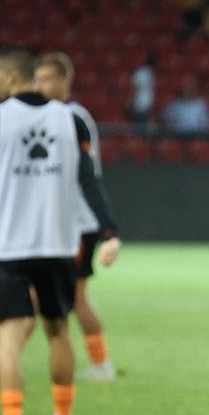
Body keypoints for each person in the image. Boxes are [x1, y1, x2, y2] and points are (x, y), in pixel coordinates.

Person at [0, 45, 118, 415]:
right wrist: (110, 230)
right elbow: (89, 180)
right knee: (58, 329)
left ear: (13, 75)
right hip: (57, 243)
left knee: (9, 335)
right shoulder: (71, 121)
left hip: (9, 245)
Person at [35, 52, 122, 381]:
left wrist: (108, 229)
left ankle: (101, 364)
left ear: (64, 81)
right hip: (56, 221)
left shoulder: (74, 117)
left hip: (79, 222)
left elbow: (87, 177)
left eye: (47, 79)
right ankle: (8, 355)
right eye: (37, 80)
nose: (40, 86)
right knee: (38, 293)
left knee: (74, 297)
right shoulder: (46, 118)